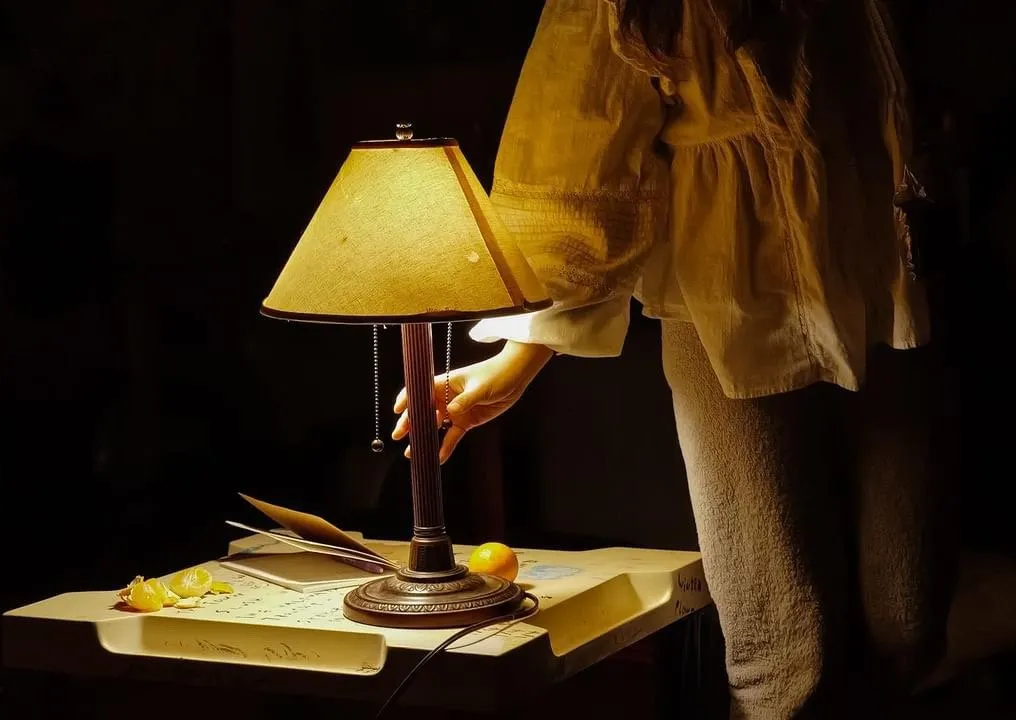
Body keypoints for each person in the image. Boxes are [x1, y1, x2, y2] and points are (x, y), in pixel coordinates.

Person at [394, 0, 956, 717]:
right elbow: (584, 167)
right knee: (785, 651)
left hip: (888, 271)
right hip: (725, 297)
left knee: (906, 622)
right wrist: (520, 354)